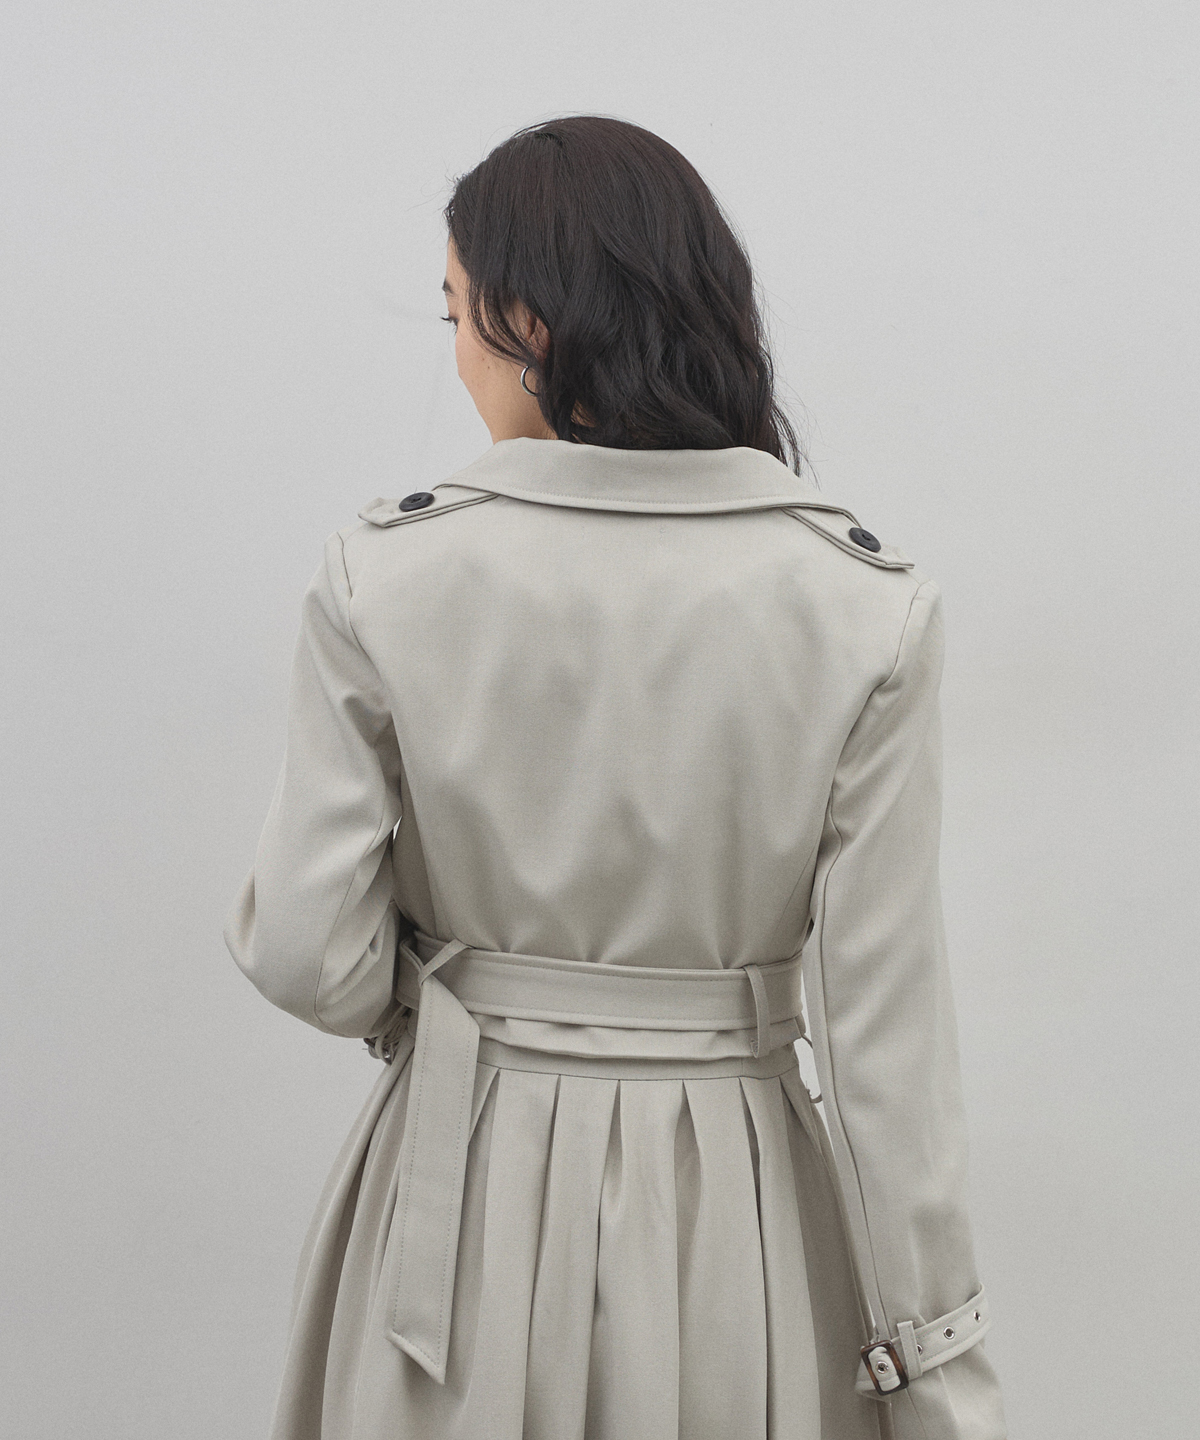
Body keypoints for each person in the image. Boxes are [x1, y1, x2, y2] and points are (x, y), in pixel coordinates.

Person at [224, 114, 1007, 1440]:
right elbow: (887, 1046)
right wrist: (939, 1373)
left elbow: (311, 953)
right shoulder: (861, 605)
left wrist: (450, 990)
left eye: (458, 315)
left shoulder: (389, 575)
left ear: (528, 320)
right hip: (737, 1215)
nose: (459, 355)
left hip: (456, 1190)